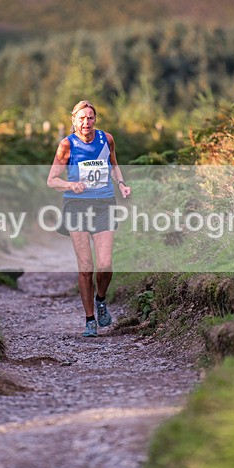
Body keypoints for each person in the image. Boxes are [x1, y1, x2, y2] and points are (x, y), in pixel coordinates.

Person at [47, 100, 132, 337]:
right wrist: (70, 185)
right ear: (74, 120)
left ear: (95, 119)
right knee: (86, 268)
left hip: (104, 204)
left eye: (90, 118)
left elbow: (113, 166)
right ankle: (90, 320)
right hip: (77, 206)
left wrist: (121, 184)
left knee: (105, 266)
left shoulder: (107, 139)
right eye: (82, 118)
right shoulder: (67, 145)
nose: (86, 122)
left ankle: (101, 300)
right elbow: (52, 180)